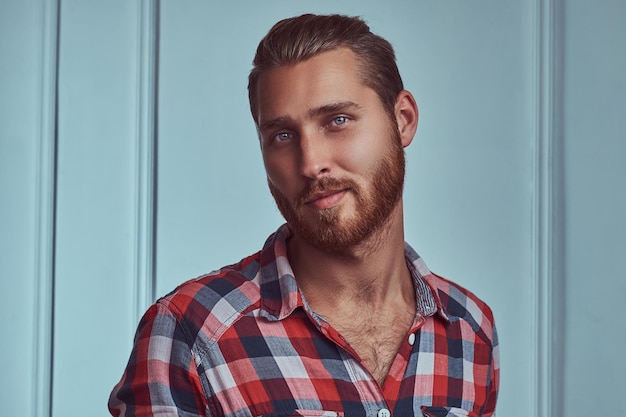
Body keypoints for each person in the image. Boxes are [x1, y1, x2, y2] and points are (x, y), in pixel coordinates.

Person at [109, 13, 499, 417]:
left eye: (338, 121)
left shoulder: (471, 330)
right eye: (282, 135)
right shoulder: (191, 332)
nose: (311, 163)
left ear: (403, 120)